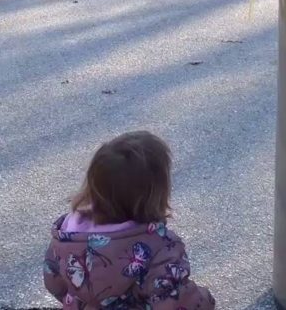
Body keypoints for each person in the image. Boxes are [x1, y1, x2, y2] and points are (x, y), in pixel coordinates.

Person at [43, 131, 216, 310]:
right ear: (154, 194)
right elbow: (175, 302)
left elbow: (54, 280)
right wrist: (205, 300)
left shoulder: (68, 234)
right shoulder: (158, 246)